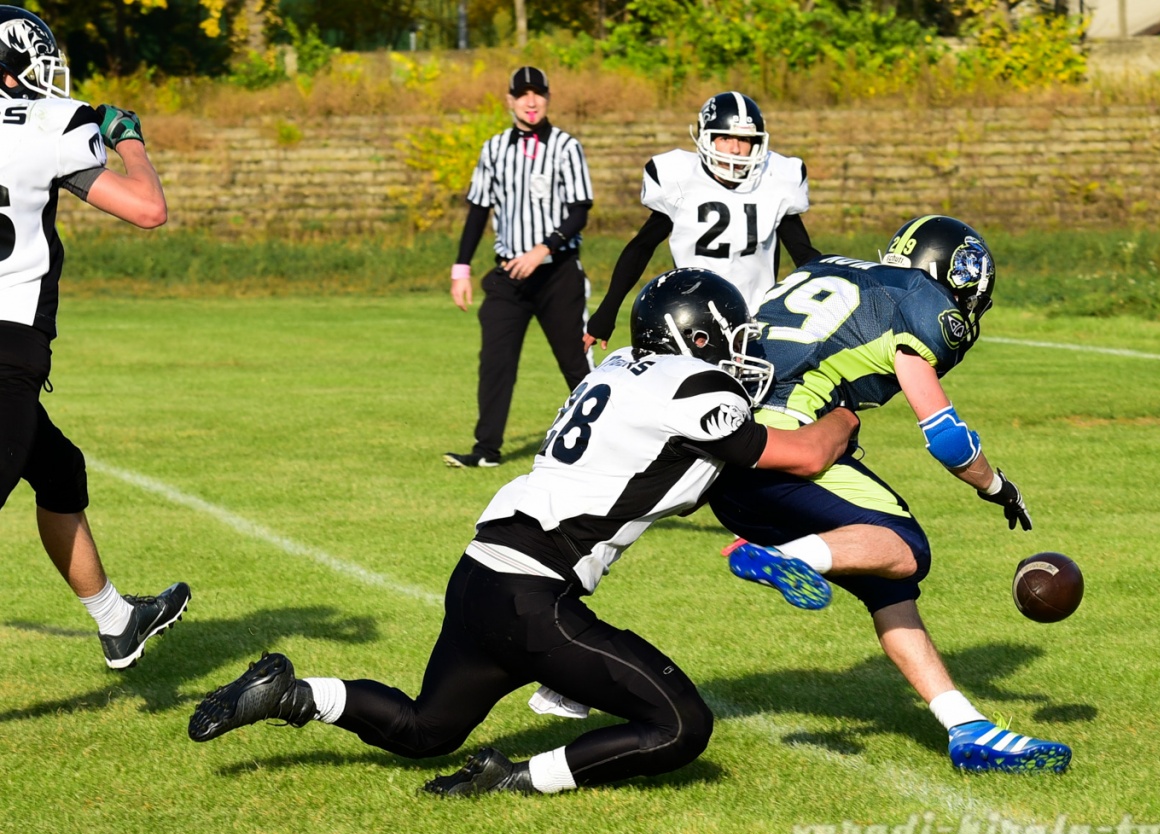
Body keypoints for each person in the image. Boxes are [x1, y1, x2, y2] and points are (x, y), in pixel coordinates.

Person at [188, 269, 860, 797]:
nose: (742, 354)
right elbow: (804, 454)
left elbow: (674, 480)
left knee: (427, 728)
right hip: (533, 594)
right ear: (696, 340)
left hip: (483, 569)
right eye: (729, 338)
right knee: (682, 726)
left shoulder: (622, 365)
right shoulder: (692, 387)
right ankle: (513, 777)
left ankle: (291, 692)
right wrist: (843, 414)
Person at [709, 215, 1074, 773]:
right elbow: (948, 440)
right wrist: (997, 486)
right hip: (789, 443)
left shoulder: (830, 270)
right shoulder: (917, 303)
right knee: (905, 548)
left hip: (725, 443)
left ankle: (965, 727)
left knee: (887, 587)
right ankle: (783, 557)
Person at [0, 6, 190, 669]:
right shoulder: (50, 125)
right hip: (8, 346)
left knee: (58, 469)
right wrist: (128, 136)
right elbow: (148, 208)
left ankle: (118, 622)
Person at [583, 91, 819, 352]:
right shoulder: (682, 180)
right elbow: (641, 247)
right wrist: (608, 309)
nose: (736, 149)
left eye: (745, 139)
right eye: (725, 137)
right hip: (691, 321)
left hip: (753, 321)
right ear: (706, 138)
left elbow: (804, 255)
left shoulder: (774, 182)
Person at [444, 66, 594, 469]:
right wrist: (461, 268)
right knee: (495, 361)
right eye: (522, 94)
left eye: (538, 94)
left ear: (547, 98)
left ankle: (604, 446)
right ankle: (486, 450)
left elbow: (580, 211)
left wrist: (542, 249)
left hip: (556, 273)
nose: (531, 101)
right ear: (509, 99)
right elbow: (478, 210)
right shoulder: (493, 149)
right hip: (509, 275)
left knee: (576, 365)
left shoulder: (565, 147)